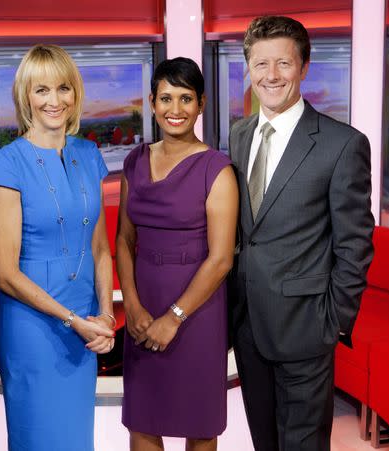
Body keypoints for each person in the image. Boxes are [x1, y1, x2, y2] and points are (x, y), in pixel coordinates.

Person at [228, 16, 375, 451]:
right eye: (260, 64)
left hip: (307, 327)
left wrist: (333, 323)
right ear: (248, 70)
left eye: (283, 64)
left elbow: (355, 243)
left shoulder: (342, 144)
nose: (271, 76)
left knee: (304, 445)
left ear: (303, 67)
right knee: (264, 441)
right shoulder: (238, 135)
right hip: (249, 325)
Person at [0, 44, 115, 451]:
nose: (54, 101)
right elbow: (4, 273)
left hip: (87, 323)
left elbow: (101, 250)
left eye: (62, 88)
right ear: (25, 97)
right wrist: (74, 320)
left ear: (75, 93)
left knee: (75, 437)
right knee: (39, 436)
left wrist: (105, 315)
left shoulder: (89, 154)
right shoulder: (5, 164)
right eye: (41, 91)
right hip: (32, 326)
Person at [117, 57, 239, 451]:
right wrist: (132, 306)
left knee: (199, 424)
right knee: (143, 420)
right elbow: (123, 239)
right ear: (152, 103)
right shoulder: (134, 161)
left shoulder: (216, 169)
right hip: (144, 301)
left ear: (201, 104)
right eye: (166, 98)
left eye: (185, 98)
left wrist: (174, 318)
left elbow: (221, 259)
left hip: (197, 309)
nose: (175, 110)